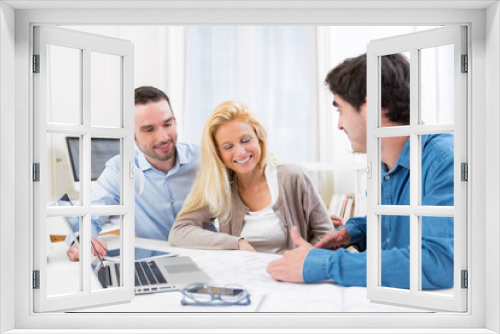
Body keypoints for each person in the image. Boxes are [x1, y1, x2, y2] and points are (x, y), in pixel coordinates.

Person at [267, 53, 454, 289]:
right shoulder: (381, 162)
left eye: (340, 110)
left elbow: (438, 263)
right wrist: (354, 231)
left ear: (370, 107)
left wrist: (325, 264)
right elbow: (398, 226)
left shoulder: (444, 160)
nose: (339, 125)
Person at [169, 101, 334, 253]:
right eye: (228, 146)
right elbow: (180, 232)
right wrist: (236, 243)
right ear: (218, 153)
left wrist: (304, 263)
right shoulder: (221, 187)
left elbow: (326, 235)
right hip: (243, 280)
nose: (240, 152)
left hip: (293, 280)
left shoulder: (292, 176)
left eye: (246, 140)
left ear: (259, 138)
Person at [67, 86, 204, 261]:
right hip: (157, 261)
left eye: (167, 124)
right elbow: (89, 219)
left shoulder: (203, 160)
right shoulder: (120, 170)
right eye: (149, 129)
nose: (163, 137)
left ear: (175, 120)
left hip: (208, 256)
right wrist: (81, 241)